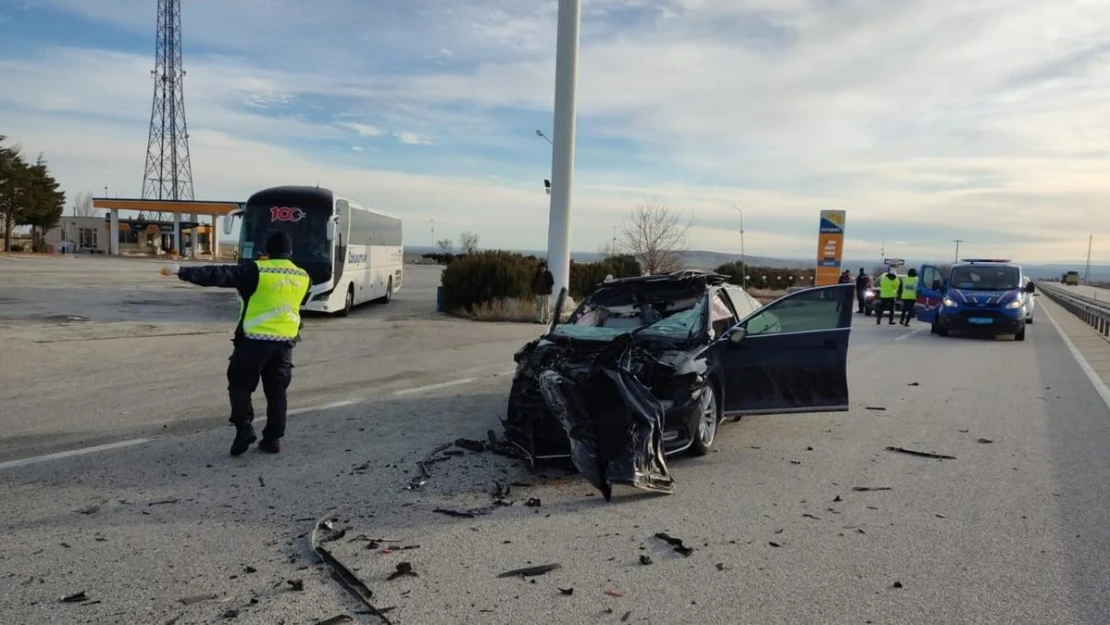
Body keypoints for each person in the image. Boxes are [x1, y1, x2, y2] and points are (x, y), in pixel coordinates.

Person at [160, 231, 311, 456]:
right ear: (290, 251)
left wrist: (182, 271)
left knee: (239, 388)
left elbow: (219, 274)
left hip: (253, 342)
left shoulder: (257, 270)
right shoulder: (303, 276)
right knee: (277, 393)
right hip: (284, 345)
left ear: (267, 250)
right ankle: (272, 440)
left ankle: (244, 428)